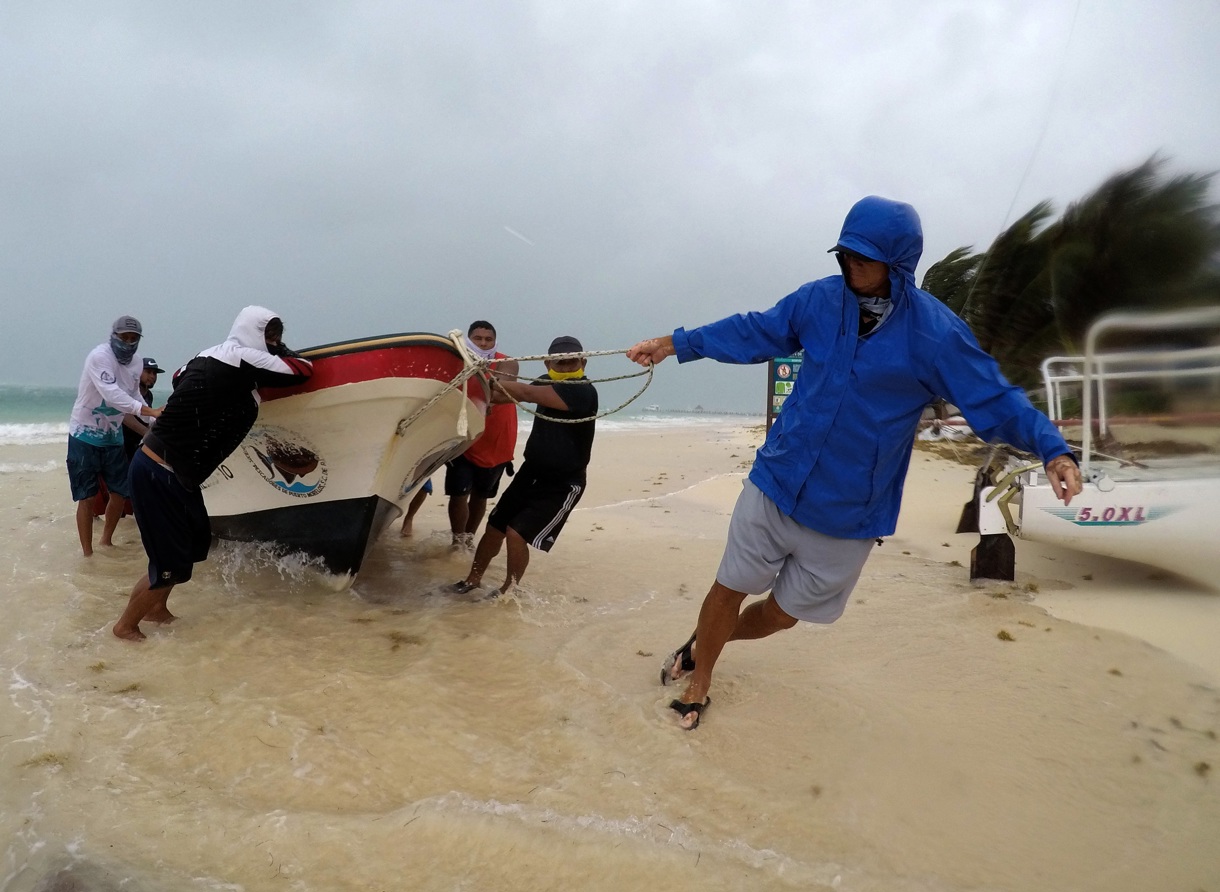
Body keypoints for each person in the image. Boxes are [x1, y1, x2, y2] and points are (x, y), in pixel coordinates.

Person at [626, 195, 1083, 730]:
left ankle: (702, 643)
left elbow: (993, 396)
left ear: (898, 266)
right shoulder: (818, 301)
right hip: (778, 479)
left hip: (850, 512)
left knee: (780, 616)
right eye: (845, 254)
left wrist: (1052, 447)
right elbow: (754, 331)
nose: (849, 266)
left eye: (864, 258)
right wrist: (675, 344)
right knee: (729, 587)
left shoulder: (936, 334)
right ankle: (700, 679)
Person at [112, 307, 314, 641]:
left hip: (173, 472)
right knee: (168, 563)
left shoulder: (209, 356)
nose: (275, 345)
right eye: (271, 337)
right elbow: (302, 370)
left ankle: (155, 609)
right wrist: (280, 351)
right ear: (254, 333)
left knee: (192, 544)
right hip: (158, 471)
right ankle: (125, 626)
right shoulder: (244, 358)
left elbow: (178, 377)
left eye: (278, 338)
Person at [451, 335, 597, 597]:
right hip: (530, 474)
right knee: (495, 526)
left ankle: (509, 590)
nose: (565, 368)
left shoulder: (583, 391)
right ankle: (472, 579)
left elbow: (526, 393)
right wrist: (477, 387)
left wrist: (489, 377)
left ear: (583, 362)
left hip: (563, 483)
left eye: (571, 362)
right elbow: (504, 395)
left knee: (516, 534)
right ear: (546, 363)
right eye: (558, 363)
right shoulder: (545, 381)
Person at [68, 315, 162, 556]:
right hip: (84, 435)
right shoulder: (99, 357)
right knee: (87, 497)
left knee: (120, 492)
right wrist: (147, 410)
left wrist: (154, 419)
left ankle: (106, 541)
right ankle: (87, 553)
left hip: (113, 438)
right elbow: (111, 395)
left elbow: (133, 394)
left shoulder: (137, 362)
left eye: (134, 339)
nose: (128, 343)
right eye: (124, 338)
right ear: (114, 336)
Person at [431, 320, 520, 548]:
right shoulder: (457, 359)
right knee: (459, 492)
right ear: (469, 340)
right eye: (478, 338)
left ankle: (469, 538)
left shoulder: (508, 362)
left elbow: (503, 388)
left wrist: (486, 386)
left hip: (497, 440)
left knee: (481, 495)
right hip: (465, 437)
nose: (483, 343)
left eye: (488, 339)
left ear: (495, 341)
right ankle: (457, 540)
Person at [122, 357, 165, 461]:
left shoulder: (149, 395)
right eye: (148, 372)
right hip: (122, 444)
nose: (152, 376)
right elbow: (124, 416)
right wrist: (147, 434)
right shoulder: (128, 392)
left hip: (138, 444)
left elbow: (148, 418)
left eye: (154, 373)